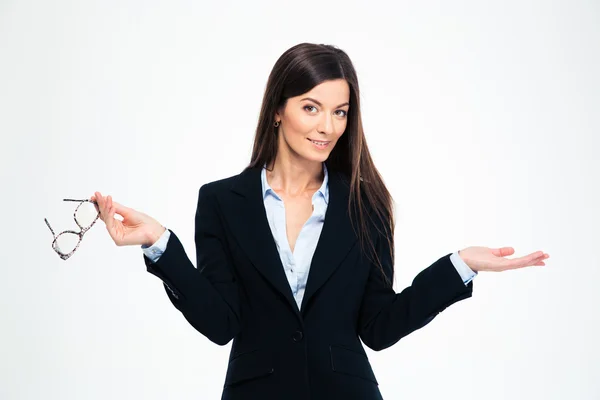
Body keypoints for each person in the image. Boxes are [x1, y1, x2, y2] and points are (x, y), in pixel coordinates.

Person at [90, 43, 549, 400]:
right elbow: (219, 323)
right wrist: (159, 245)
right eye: (311, 107)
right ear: (278, 109)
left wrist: (459, 266)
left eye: (340, 112)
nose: (327, 126)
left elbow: (378, 326)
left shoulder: (365, 203)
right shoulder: (221, 202)